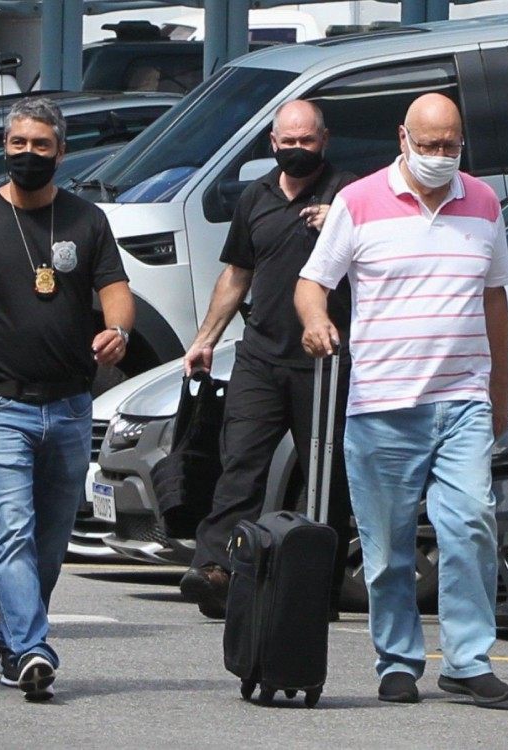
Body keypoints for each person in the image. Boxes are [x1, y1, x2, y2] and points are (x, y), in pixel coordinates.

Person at [295, 93, 508, 707]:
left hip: (463, 398)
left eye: (451, 145)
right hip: (383, 404)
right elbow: (313, 282)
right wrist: (316, 320)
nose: (441, 156)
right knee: (388, 545)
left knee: (470, 523)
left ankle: (467, 659)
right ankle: (397, 659)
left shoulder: (484, 202)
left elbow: (494, 296)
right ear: (403, 139)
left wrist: (500, 387)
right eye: (429, 145)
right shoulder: (358, 201)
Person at [0, 96, 133, 701]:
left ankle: (11, 639)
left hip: (69, 406)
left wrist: (117, 331)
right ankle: (34, 647)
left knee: (50, 542)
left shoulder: (86, 220)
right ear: (4, 148)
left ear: (61, 152)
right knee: (12, 528)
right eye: (19, 144)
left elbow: (116, 290)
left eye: (41, 145)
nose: (29, 154)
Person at [177, 100, 355, 620]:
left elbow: (383, 255)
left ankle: (317, 589)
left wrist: (346, 227)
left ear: (324, 140)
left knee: (324, 478)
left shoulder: (349, 195)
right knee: (240, 464)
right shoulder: (255, 196)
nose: (297, 150)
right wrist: (205, 339)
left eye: (307, 141)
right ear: (273, 143)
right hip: (260, 355)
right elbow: (237, 274)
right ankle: (215, 569)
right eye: (288, 142)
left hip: (323, 362)